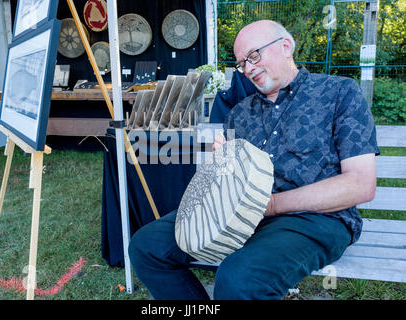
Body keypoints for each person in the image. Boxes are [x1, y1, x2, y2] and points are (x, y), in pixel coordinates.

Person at [128, 20, 380, 300]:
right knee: (146, 246)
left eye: (254, 56)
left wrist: (270, 205)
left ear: (286, 47)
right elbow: (226, 183)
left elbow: (360, 185)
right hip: (239, 214)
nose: (247, 69)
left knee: (239, 279)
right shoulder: (239, 113)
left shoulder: (339, 93)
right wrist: (220, 167)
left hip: (316, 219)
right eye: (241, 63)